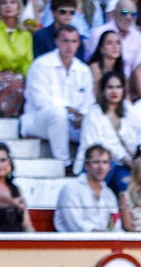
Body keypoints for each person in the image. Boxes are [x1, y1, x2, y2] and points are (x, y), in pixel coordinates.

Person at [24, 24, 97, 168]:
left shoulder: (83, 70)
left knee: (94, 119)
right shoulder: (41, 65)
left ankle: (83, 166)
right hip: (38, 120)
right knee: (58, 113)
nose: (70, 46)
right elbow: (40, 101)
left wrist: (82, 115)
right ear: (56, 41)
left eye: (74, 41)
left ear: (78, 44)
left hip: (72, 122)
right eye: (65, 41)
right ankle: (64, 164)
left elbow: (89, 102)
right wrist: (68, 109)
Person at [54, 143, 119, 230]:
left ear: (109, 167)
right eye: (96, 162)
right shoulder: (71, 189)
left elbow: (114, 225)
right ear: (87, 165)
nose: (101, 167)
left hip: (104, 238)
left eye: (105, 162)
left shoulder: (109, 194)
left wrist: (111, 233)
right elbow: (76, 225)